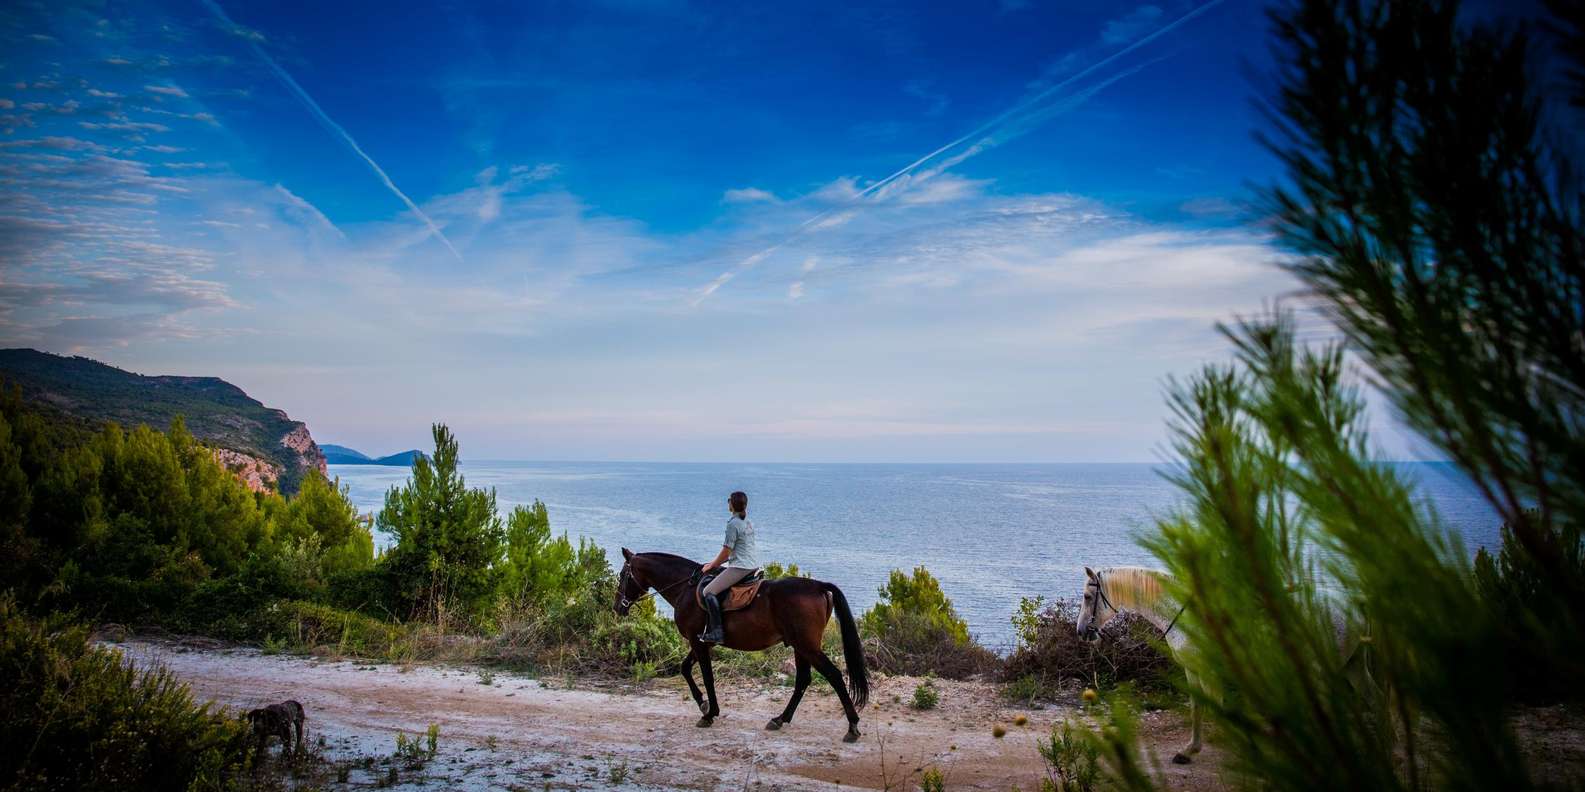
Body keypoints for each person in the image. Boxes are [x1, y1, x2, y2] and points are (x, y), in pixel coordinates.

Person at [697, 490, 759, 644]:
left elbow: (726, 552)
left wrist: (712, 565)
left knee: (708, 591)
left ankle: (717, 632)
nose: (728, 502)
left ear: (732, 505)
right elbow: (740, 549)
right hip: (752, 565)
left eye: (729, 500)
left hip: (740, 567)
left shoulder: (733, 524)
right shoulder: (748, 522)